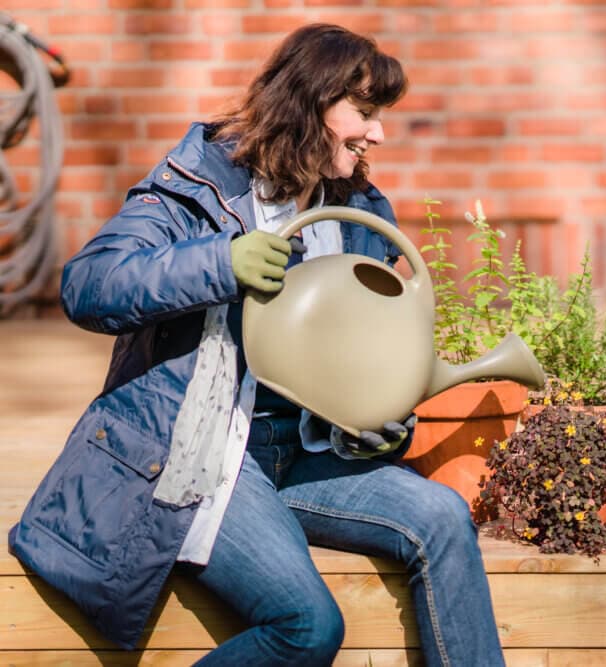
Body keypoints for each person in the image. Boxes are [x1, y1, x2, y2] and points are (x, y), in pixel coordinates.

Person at [9, 24, 505, 666]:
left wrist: (381, 421)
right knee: (306, 625)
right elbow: (88, 285)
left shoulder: (357, 213)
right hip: (207, 452)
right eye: (365, 112)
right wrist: (220, 262)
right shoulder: (199, 187)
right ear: (310, 102)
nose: (379, 134)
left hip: (305, 452)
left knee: (441, 518)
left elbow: (357, 358)